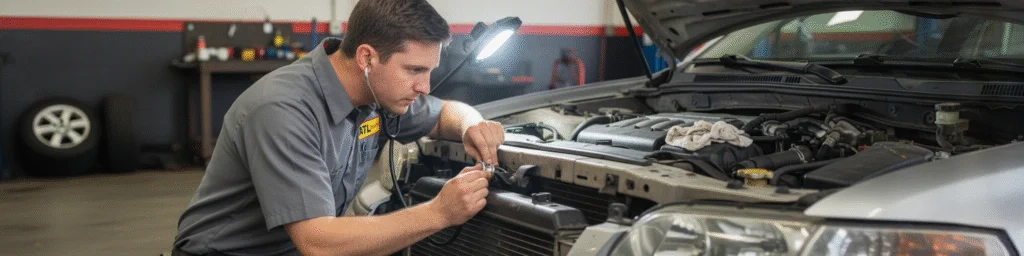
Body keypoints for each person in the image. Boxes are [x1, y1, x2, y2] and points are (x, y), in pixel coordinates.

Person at [171, 0, 505, 255]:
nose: (425, 87)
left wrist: (471, 124)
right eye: (415, 70)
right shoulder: (283, 109)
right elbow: (317, 243)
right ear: (366, 58)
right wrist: (439, 212)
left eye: (429, 71)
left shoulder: (377, 93)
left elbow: (444, 112)